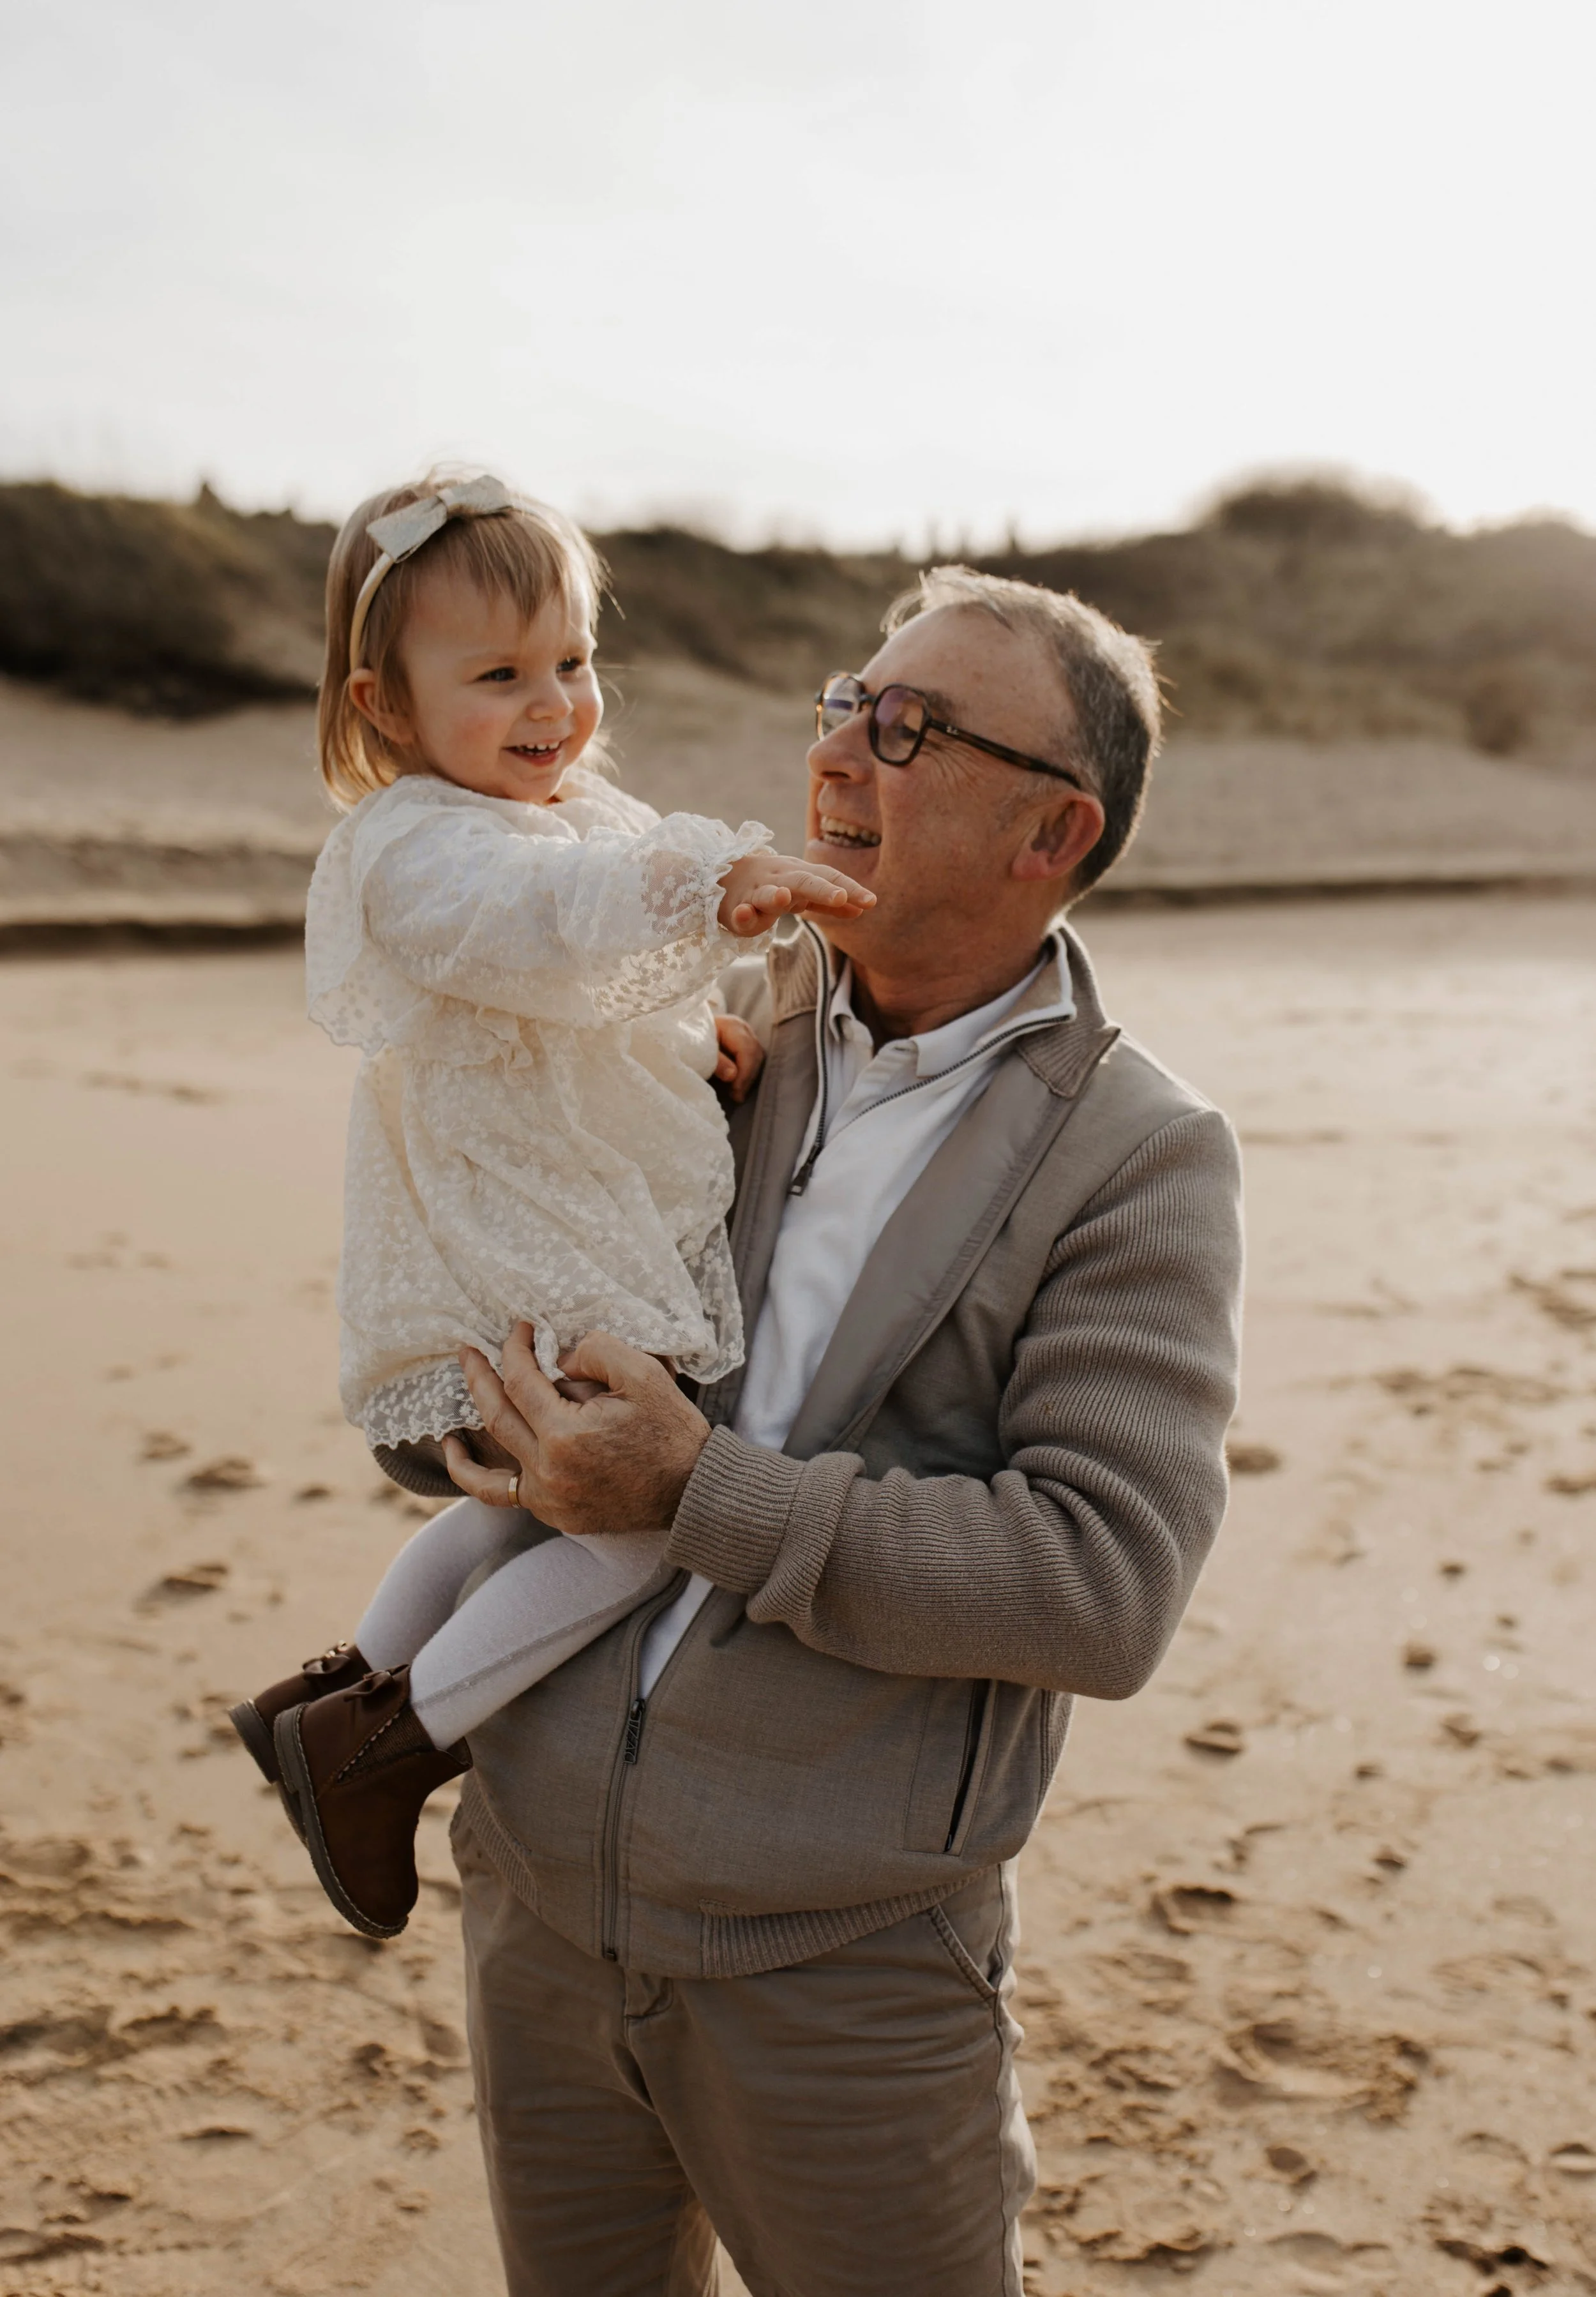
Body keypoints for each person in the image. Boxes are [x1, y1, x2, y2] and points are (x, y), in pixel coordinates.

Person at [441, 564, 1246, 2297]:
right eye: (842, 703)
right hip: (533, 1902)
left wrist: (695, 1490)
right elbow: (485, 1342)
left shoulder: (1139, 1151)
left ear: (1051, 830)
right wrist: (473, 1419)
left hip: (844, 1970)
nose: (839, 753)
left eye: (911, 728)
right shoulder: (688, 1018)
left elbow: (1097, 1587)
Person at [227, 472, 871, 1939]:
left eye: (573, 662)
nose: (554, 704)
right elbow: (550, 931)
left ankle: (337, 1695)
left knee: (529, 1525)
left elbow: (587, 981)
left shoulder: (567, 813)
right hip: (511, 1274)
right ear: (384, 706)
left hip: (563, 1241)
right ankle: (388, 1745)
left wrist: (692, 1020)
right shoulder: (420, 847)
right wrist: (721, 885)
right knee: (643, 1516)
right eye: (499, 674)